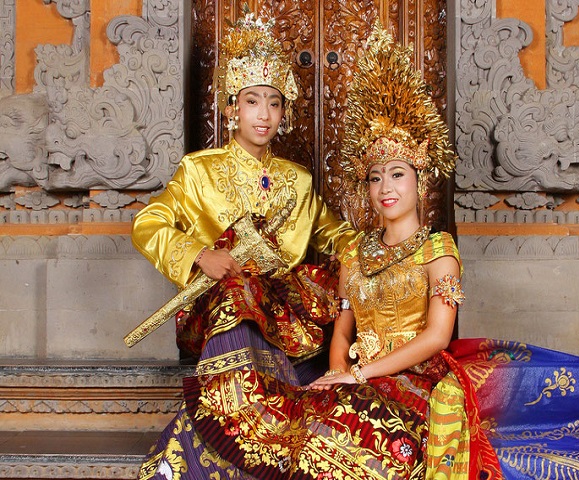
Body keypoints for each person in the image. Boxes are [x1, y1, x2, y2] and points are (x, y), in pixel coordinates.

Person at [171, 21, 504, 480]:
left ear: (421, 182)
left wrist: (355, 375)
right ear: (232, 108)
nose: (385, 188)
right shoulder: (199, 171)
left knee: (339, 442)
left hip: (411, 376)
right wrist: (337, 373)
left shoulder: (437, 250)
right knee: (300, 432)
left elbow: (436, 337)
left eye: (398, 175)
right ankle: (233, 415)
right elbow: (343, 330)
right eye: (375, 178)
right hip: (273, 329)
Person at [132, 9, 358, 479]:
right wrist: (199, 254)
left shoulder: (297, 181)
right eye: (252, 101)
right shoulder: (199, 170)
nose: (264, 114)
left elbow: (335, 235)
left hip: (285, 312)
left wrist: (391, 245)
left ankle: (247, 429)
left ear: (284, 112)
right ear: (233, 108)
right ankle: (251, 419)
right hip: (221, 304)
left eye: (274, 103)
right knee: (239, 289)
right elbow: (148, 223)